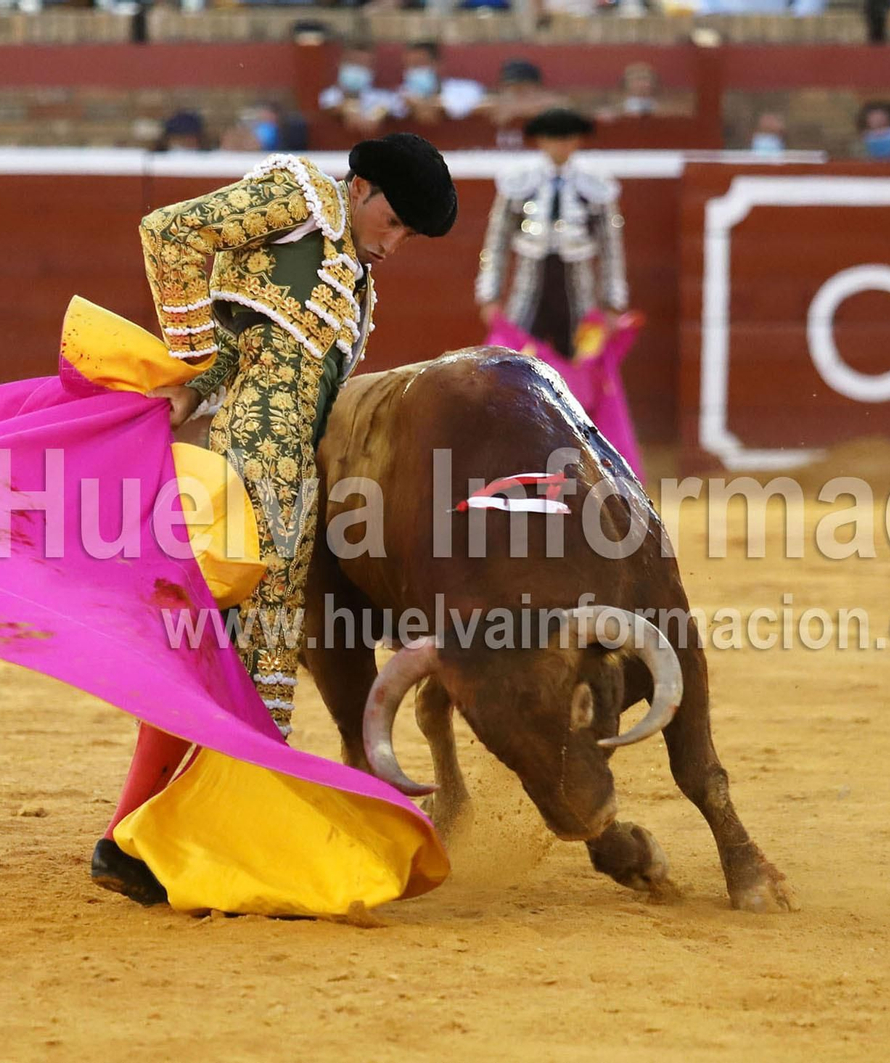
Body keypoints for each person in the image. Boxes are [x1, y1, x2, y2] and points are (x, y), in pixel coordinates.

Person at [93, 135, 458, 903]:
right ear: (360, 187)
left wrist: (205, 380)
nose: (393, 244)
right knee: (223, 659)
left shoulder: (355, 286)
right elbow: (171, 231)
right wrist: (189, 365)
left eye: (407, 237)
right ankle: (159, 837)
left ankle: (147, 840)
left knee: (231, 661)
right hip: (236, 475)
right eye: (392, 220)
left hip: (287, 488)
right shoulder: (301, 196)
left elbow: (248, 347)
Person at [475, 108, 627, 362]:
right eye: (554, 138)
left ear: (577, 140)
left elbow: (611, 247)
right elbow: (497, 241)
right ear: (541, 140)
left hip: (579, 289)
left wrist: (612, 303)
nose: (561, 145)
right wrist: (489, 295)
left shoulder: (595, 183)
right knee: (515, 362)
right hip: (528, 284)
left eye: (567, 138)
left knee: (583, 363)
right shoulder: (520, 180)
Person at [318, 42, 405, 135]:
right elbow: (330, 105)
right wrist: (348, 110)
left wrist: (377, 115)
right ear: (340, 64)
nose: (357, 69)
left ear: (371, 69)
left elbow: (393, 105)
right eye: (353, 62)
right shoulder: (330, 94)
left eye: (362, 64)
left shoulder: (381, 96)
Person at [396, 39, 486, 123]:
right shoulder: (402, 94)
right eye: (409, 65)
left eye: (419, 63)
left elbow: (473, 100)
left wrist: (430, 105)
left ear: (437, 65)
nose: (413, 70)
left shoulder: (465, 89)